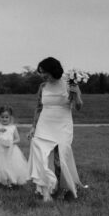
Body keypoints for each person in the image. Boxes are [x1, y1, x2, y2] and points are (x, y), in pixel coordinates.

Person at [27, 57, 83, 202]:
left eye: (44, 72)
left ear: (53, 70)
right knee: (42, 158)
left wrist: (76, 93)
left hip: (62, 125)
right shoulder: (42, 87)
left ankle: (65, 189)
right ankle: (46, 192)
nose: (42, 75)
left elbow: (78, 106)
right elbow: (39, 108)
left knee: (61, 159)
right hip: (44, 125)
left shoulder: (69, 83)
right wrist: (33, 127)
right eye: (40, 72)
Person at [0, 105, 29, 187]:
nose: (4, 119)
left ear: (10, 117)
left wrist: (12, 143)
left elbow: (18, 139)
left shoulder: (13, 127)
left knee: (10, 164)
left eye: (6, 117)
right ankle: (1, 180)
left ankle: (11, 180)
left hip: (10, 149)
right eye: (2, 117)